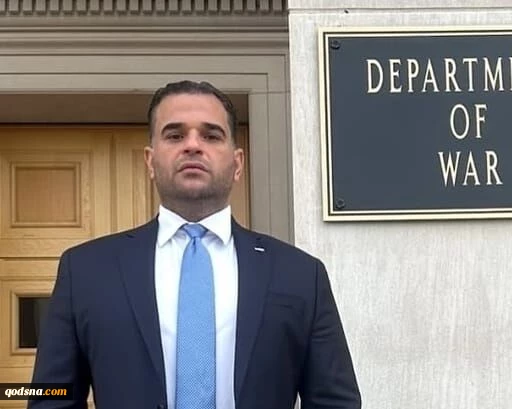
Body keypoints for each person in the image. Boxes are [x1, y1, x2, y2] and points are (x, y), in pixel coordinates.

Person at [28, 80, 361, 409]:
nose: (192, 145)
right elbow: (50, 397)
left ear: (238, 164)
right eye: (174, 135)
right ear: (150, 161)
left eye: (211, 136)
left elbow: (335, 401)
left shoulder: (300, 275)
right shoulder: (85, 271)